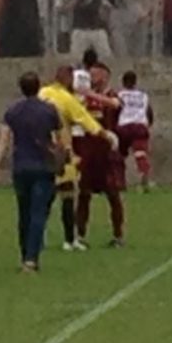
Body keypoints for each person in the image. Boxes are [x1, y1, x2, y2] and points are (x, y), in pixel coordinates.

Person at [0, 71, 63, 274]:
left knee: (24, 213)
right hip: (42, 167)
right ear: (39, 87)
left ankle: (25, 254)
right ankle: (32, 258)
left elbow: (4, 140)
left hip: (21, 167)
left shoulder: (13, 111)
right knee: (39, 212)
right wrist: (62, 160)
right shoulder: (49, 110)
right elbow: (58, 139)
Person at [39, 64, 111, 253]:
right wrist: (106, 135)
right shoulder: (66, 99)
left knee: (45, 196)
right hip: (62, 151)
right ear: (68, 79)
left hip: (41, 151)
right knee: (67, 195)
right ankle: (69, 240)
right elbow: (86, 120)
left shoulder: (42, 93)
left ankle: (39, 237)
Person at [76, 62, 126, 249]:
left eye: (95, 75)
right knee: (83, 194)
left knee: (113, 195)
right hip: (88, 152)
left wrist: (89, 94)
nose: (91, 79)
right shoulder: (84, 99)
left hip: (107, 152)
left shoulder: (111, 95)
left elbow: (115, 105)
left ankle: (118, 235)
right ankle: (79, 235)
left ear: (105, 76)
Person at [115, 70, 154, 192]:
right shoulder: (143, 96)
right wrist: (148, 124)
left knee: (119, 156)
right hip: (139, 126)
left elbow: (114, 110)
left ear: (123, 82)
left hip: (124, 126)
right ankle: (144, 179)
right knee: (140, 154)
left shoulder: (120, 95)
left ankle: (120, 182)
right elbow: (149, 112)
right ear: (135, 82)